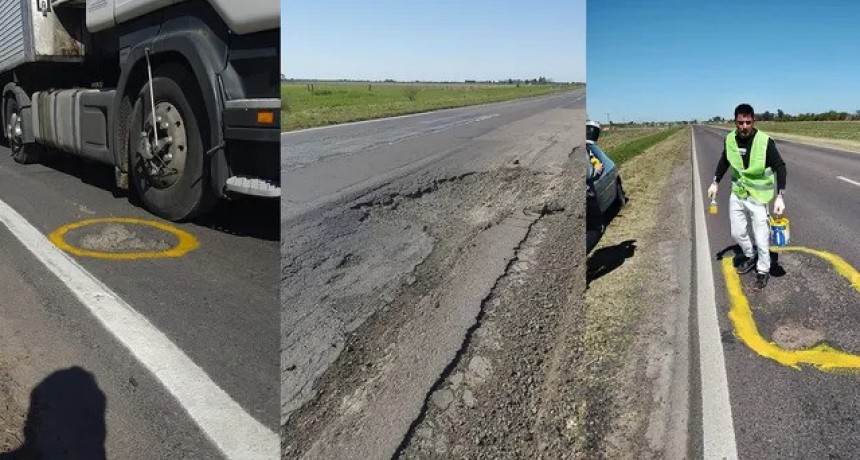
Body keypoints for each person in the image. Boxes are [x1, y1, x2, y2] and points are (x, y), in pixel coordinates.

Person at [707, 103, 787, 291]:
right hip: (738, 193)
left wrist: (780, 195)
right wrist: (715, 182)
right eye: (740, 122)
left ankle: (763, 270)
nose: (744, 126)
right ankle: (750, 255)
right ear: (735, 121)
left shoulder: (765, 141)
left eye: (747, 122)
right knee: (737, 232)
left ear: (753, 121)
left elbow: (780, 166)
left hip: (759, 197)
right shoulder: (730, 140)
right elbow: (725, 160)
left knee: (761, 236)